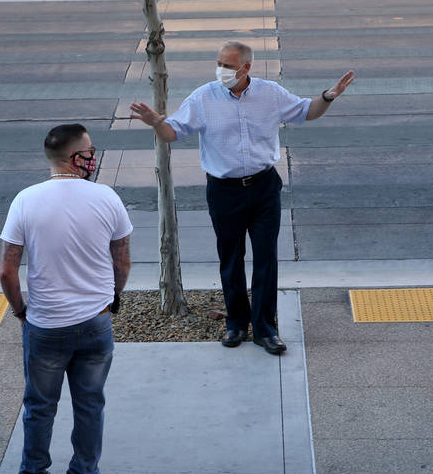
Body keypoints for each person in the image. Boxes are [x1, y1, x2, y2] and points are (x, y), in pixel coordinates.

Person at [129, 41, 354, 355]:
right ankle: (236, 322)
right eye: (220, 62)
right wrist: (156, 123)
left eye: (229, 65)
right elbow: (173, 132)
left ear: (247, 67)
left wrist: (328, 96)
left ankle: (265, 329)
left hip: (264, 188)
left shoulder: (270, 93)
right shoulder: (204, 97)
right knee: (231, 259)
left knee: (265, 258)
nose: (222, 70)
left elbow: (306, 111)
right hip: (224, 191)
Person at [0, 123, 132, 474]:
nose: (94, 156)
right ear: (75, 159)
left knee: (40, 408)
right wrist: (112, 297)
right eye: (89, 151)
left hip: (46, 325)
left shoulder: (26, 200)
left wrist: (21, 311)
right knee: (91, 405)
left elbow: (7, 271)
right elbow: (121, 259)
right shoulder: (106, 198)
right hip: (95, 322)